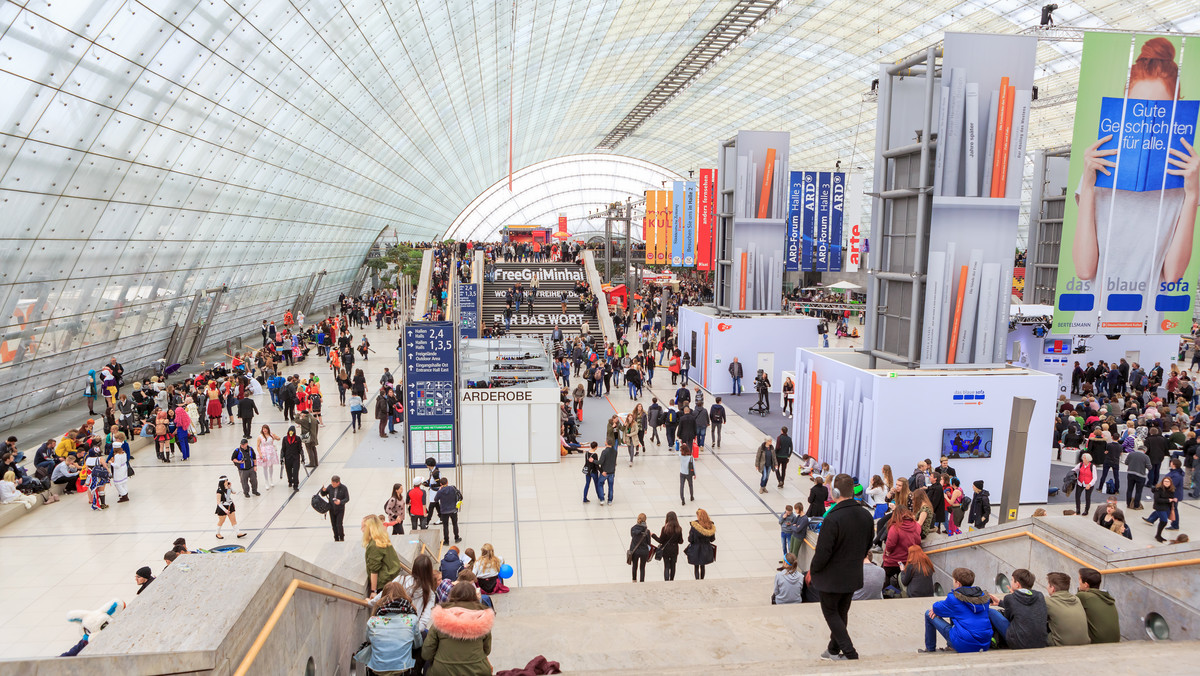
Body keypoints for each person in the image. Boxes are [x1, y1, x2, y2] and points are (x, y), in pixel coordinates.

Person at [1072, 37, 1199, 309]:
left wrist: (1192, 196)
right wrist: (1090, 183)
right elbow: (1084, 269)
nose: (1149, 121)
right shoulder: (1098, 167)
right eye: (1138, 109)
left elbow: (1174, 275)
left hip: (1148, 319)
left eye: (1161, 111)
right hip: (1092, 314)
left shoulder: (1183, 178)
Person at [809, 474, 873, 661]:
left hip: (831, 577)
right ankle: (833, 649)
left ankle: (850, 652)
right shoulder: (866, 515)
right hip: (852, 574)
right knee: (841, 612)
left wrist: (814, 570)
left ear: (835, 492)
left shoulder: (833, 518)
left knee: (831, 613)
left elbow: (822, 553)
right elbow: (868, 544)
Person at [421, 582, 494, 676]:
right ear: (474, 596)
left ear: (452, 595)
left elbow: (426, 653)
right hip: (477, 671)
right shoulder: (483, 619)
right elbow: (487, 650)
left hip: (443, 672)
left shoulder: (440, 619)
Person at [918, 567, 992, 654]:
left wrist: (938, 609)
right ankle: (950, 646)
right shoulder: (983, 597)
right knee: (956, 613)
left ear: (958, 583)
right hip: (985, 643)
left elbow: (936, 607)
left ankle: (930, 649)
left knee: (928, 614)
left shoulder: (954, 598)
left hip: (964, 644)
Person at [364, 581, 423, 676]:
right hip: (402, 670)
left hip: (377, 670)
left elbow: (368, 640)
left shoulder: (372, 621)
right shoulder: (411, 619)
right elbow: (417, 644)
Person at [986, 568, 1048, 650]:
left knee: (991, 611)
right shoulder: (1039, 595)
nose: (1011, 582)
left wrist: (1012, 597)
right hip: (1040, 642)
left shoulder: (1010, 598)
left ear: (1017, 584)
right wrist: (1001, 603)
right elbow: (1024, 607)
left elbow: (1008, 618)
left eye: (1012, 580)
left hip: (1018, 643)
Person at [1045, 571, 1091, 646]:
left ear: (1052, 588)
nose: (1046, 587)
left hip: (1062, 645)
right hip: (1085, 642)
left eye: (1048, 585)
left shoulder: (1048, 602)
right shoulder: (1077, 599)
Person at [1076, 567, 1120, 643]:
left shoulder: (1084, 597)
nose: (1078, 581)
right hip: (1115, 640)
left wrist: (1079, 590)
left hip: (1098, 642)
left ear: (1086, 584)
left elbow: (1071, 603)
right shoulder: (1106, 597)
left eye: (1079, 579)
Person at [363, 515, 403, 597]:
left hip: (383, 584)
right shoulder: (382, 538)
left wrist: (373, 591)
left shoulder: (374, 545)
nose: (362, 530)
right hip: (391, 578)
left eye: (363, 527)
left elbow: (374, 569)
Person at [882, 505, 921, 585]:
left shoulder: (895, 527)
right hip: (909, 560)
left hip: (893, 560)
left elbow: (890, 544)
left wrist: (888, 552)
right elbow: (918, 541)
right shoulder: (916, 525)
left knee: (885, 576)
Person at [651, 511, 684, 581]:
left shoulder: (665, 528)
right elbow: (681, 541)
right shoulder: (679, 528)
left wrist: (653, 535)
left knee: (666, 565)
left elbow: (660, 540)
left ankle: (666, 580)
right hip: (674, 549)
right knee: (673, 565)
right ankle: (672, 580)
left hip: (666, 549)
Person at [684, 508, 716, 579]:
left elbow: (690, 539)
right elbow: (712, 539)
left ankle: (697, 580)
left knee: (696, 566)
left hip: (696, 548)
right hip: (706, 549)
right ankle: (702, 579)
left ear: (699, 516)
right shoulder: (710, 526)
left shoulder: (694, 526)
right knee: (702, 566)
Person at [321, 475, 350, 542]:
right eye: (332, 483)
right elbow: (323, 494)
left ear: (338, 483)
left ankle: (341, 536)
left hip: (340, 509)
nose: (332, 485)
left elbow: (347, 498)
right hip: (332, 508)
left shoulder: (344, 488)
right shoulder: (330, 487)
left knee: (339, 523)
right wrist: (323, 490)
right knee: (333, 524)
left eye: (334, 484)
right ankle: (336, 537)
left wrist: (340, 502)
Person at [434, 478, 462, 545]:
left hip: (444, 511)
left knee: (445, 526)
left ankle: (446, 541)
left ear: (440, 484)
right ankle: (457, 538)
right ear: (447, 482)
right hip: (453, 509)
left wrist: (439, 491)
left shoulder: (440, 492)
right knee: (455, 524)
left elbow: (435, 499)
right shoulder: (452, 488)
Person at [629, 513, 652, 583]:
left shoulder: (633, 529)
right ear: (645, 520)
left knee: (634, 566)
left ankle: (634, 580)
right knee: (642, 567)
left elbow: (632, 536)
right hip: (644, 551)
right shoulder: (647, 531)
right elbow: (649, 543)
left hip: (635, 551)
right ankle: (642, 581)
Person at [257, 425, 280, 491]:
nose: (264, 430)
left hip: (271, 451)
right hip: (264, 451)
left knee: (271, 465)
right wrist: (260, 454)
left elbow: (278, 438)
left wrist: (276, 437)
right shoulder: (260, 437)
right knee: (265, 466)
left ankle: (271, 479)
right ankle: (266, 481)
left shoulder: (271, 434)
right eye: (263, 429)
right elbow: (258, 446)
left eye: (266, 429)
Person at [281, 426, 303, 491]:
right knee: (289, 471)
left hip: (296, 458)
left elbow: (300, 449)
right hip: (287, 458)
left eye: (292, 432)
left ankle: (295, 485)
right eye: (289, 432)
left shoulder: (297, 439)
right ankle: (290, 481)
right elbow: (283, 449)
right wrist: (281, 458)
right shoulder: (285, 439)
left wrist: (302, 457)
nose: (291, 433)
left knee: (295, 472)